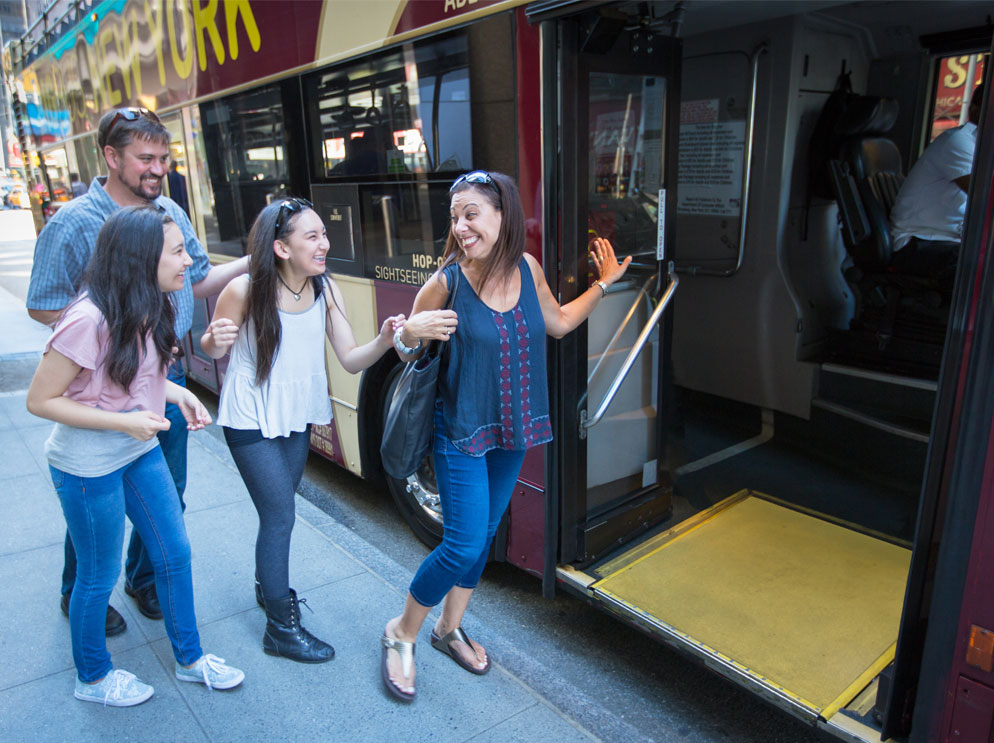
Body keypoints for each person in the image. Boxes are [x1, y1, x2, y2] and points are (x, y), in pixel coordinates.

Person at [379, 171, 630, 702]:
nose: (461, 226)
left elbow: (558, 323)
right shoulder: (447, 282)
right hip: (461, 432)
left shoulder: (527, 268)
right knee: (462, 543)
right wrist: (407, 332)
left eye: (471, 213)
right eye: (455, 217)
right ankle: (401, 631)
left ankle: (448, 629)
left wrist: (604, 284)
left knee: (485, 533)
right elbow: (404, 350)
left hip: (512, 429)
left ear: (502, 215)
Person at [26, 107, 249, 634]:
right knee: (93, 499)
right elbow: (42, 304)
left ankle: (144, 580)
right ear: (111, 156)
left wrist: (257, 257)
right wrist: (114, 336)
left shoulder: (169, 208)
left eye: (164, 158)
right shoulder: (73, 223)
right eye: (145, 158)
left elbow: (194, 280)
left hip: (161, 384)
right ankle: (80, 593)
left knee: (167, 492)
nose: (158, 169)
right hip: (99, 392)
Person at [200, 197, 403, 663]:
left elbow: (351, 359)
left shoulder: (324, 289)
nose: (324, 244)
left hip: (296, 416)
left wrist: (384, 340)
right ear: (281, 247)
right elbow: (212, 348)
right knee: (281, 516)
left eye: (323, 234)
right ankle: (279, 628)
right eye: (312, 236)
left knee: (278, 513)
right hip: (251, 417)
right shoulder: (244, 290)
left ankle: (265, 585)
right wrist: (214, 340)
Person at [889, 84, 984, 277]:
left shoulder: (985, 146)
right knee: (983, 267)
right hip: (918, 241)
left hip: (948, 237)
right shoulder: (959, 141)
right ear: (974, 110)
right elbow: (985, 197)